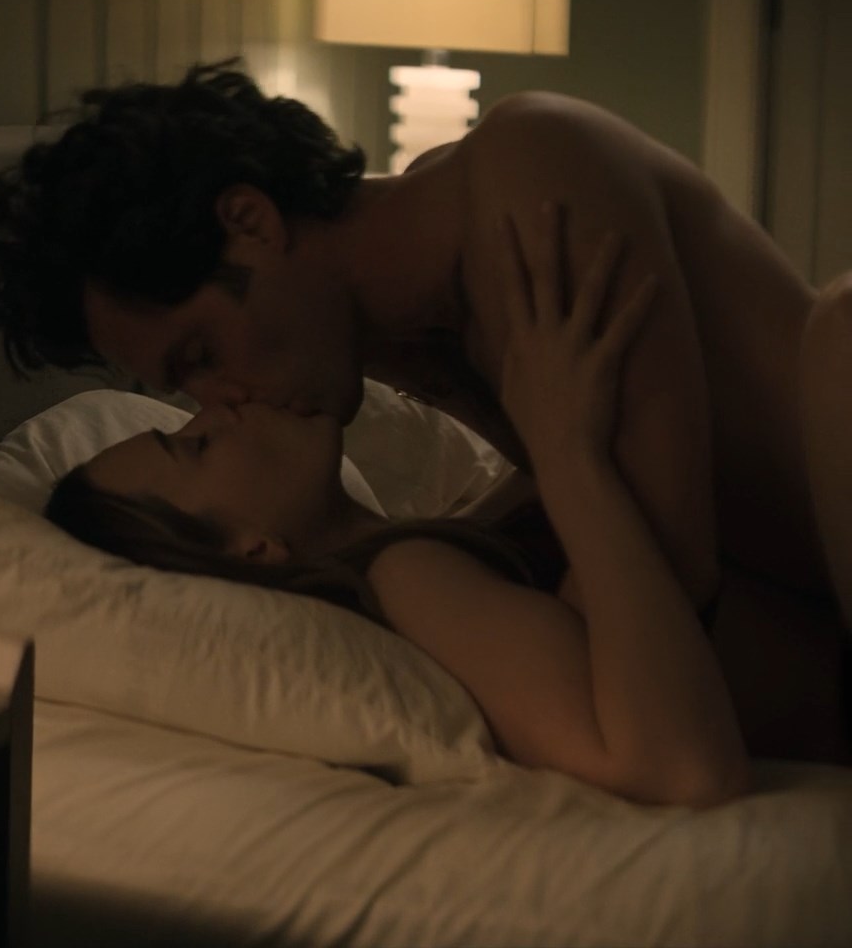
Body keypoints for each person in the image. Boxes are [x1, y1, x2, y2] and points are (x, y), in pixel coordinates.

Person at [0, 60, 852, 663]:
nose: (221, 399)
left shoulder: (529, 176)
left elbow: (672, 576)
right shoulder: (387, 332)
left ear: (251, 223)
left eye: (202, 355)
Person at [44, 207, 848, 807]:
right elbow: (680, 769)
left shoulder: (428, 543)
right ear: (250, 548)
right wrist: (570, 452)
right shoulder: (408, 577)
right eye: (194, 447)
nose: (218, 407)